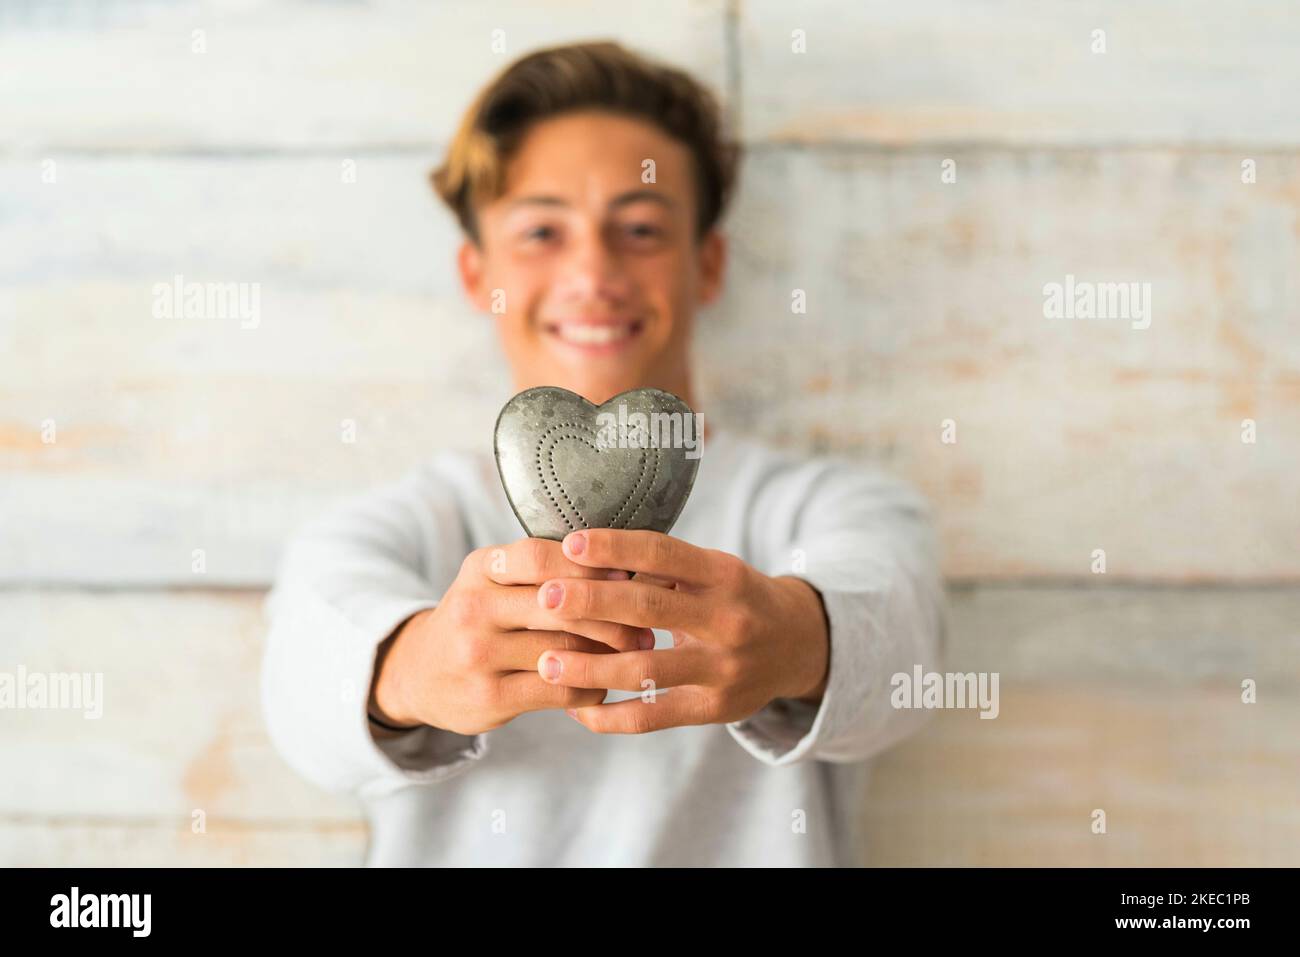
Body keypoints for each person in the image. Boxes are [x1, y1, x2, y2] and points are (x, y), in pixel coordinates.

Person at [260, 41, 947, 866]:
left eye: (641, 227)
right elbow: (303, 683)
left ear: (708, 264)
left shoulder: (827, 506)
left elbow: (901, 641)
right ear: (479, 276)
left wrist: (798, 638)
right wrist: (408, 670)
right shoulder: (398, 525)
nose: (593, 272)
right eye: (543, 230)